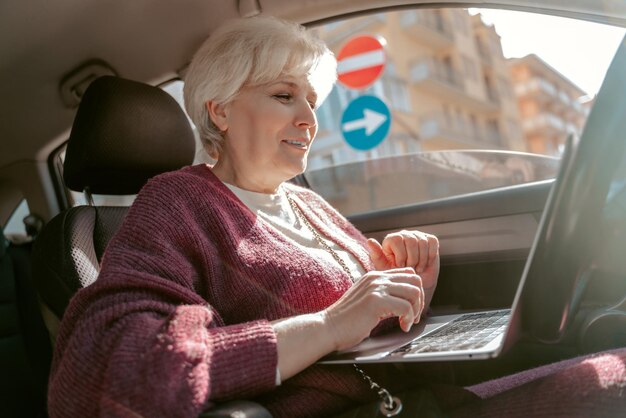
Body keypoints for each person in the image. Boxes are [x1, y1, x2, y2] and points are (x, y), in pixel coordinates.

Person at [47, 15, 626, 418]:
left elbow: (363, 321)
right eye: (282, 96)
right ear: (219, 110)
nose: (309, 121)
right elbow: (112, 372)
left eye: (312, 101)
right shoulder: (175, 202)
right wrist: (325, 327)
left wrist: (405, 285)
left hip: (414, 395)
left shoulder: (305, 202)